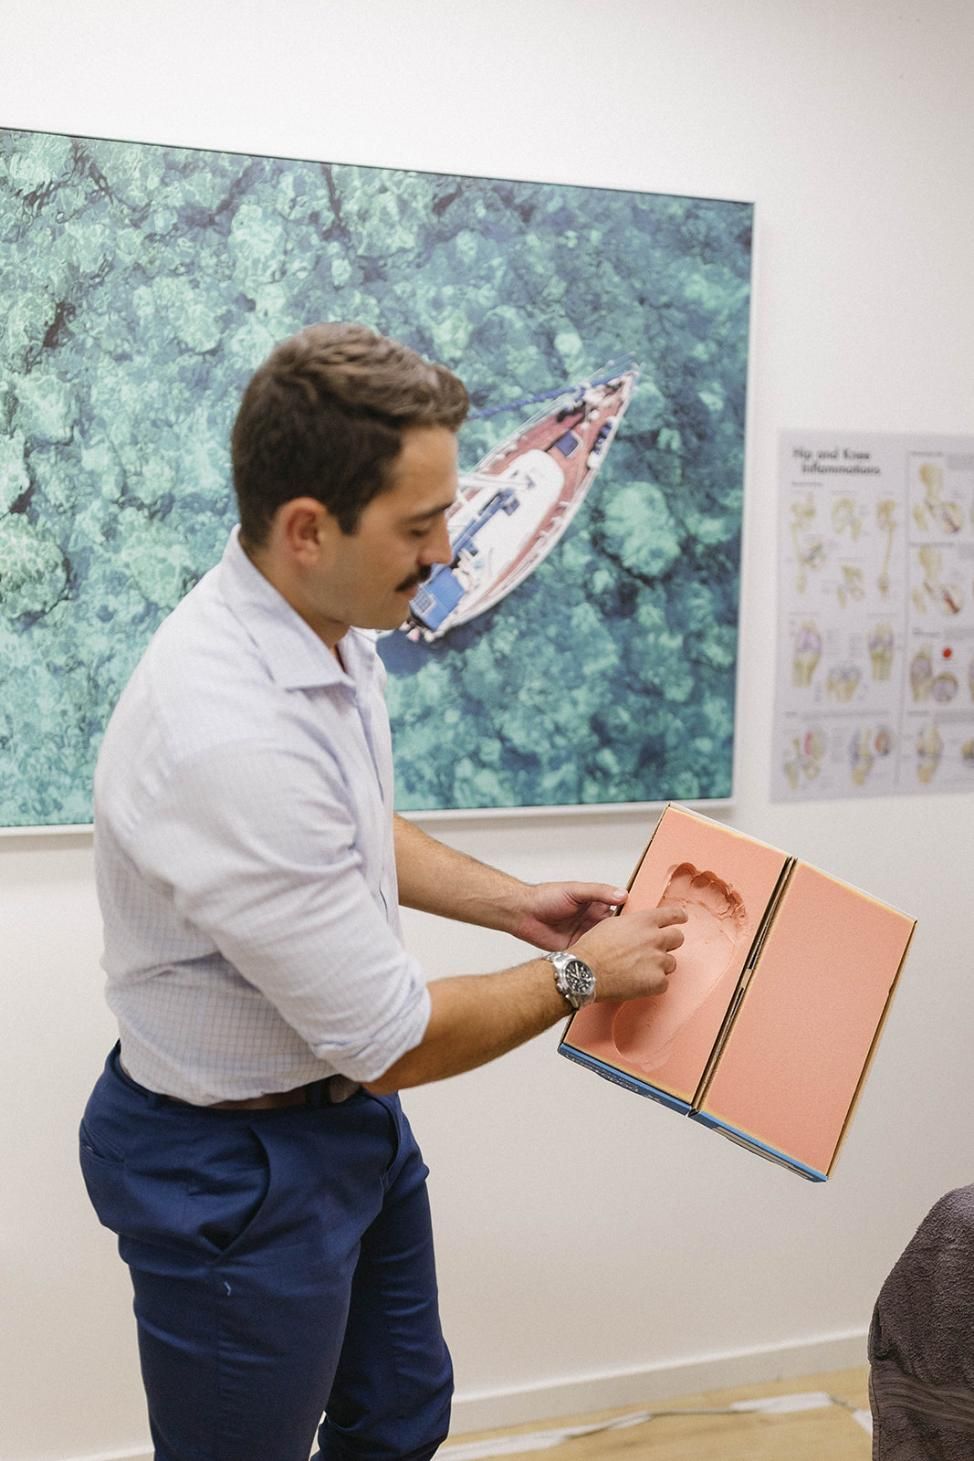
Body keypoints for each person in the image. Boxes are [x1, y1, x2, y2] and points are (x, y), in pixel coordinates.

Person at [79, 322, 686, 1461]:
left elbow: (345, 825)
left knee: (398, 1418)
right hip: (229, 1170)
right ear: (308, 528)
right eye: (419, 526)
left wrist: (510, 905)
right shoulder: (228, 736)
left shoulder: (327, 620)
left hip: (342, 1120)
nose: (447, 549)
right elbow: (391, 1040)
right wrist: (573, 977)